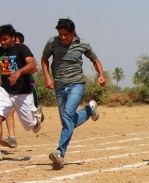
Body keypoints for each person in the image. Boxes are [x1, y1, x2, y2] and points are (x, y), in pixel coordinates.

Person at [41, 18, 106, 169]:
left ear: (73, 33)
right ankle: (89, 110)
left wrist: (101, 75)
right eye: (60, 34)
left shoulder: (83, 44)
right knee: (67, 121)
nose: (62, 38)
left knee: (68, 115)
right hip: (59, 86)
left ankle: (60, 153)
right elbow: (44, 59)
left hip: (77, 84)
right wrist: (47, 77)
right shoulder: (52, 43)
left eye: (66, 35)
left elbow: (95, 60)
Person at [0, 24, 42, 159]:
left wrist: (18, 72)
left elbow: (33, 66)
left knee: (29, 126)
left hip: (23, 94)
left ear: (13, 38)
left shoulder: (21, 49)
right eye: (0, 39)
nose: (2, 42)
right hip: (5, 91)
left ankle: (37, 119)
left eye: (5, 39)